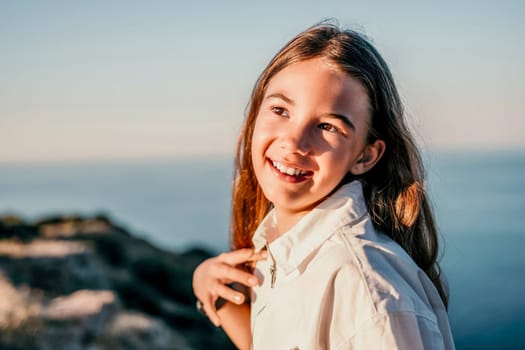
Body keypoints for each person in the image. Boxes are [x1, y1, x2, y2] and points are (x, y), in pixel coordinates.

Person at [192, 22, 455, 349]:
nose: (294, 141)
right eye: (280, 110)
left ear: (365, 155)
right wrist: (212, 292)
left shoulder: (368, 296)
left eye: (328, 126)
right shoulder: (284, 248)